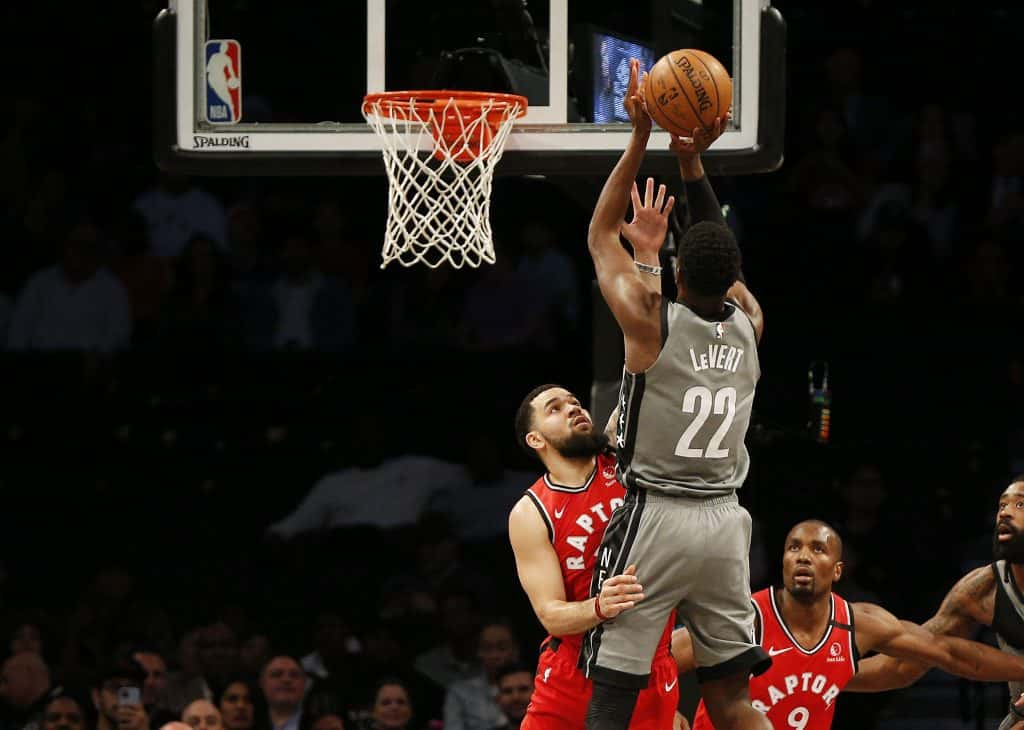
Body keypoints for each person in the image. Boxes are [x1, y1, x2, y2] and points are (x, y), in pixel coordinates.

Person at [581, 57, 767, 730]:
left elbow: (601, 236)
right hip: (725, 522)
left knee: (612, 694)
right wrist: (692, 165)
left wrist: (640, 137)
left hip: (657, 515)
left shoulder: (649, 320)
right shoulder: (750, 325)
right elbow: (725, 262)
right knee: (731, 700)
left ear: (676, 267)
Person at [671, 520, 1024, 728]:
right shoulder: (747, 619)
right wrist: (669, 713)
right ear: (782, 562)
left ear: (838, 570)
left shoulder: (859, 623)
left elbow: (947, 652)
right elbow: (660, 659)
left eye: (817, 549)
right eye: (794, 548)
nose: (804, 556)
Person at [508, 384, 682, 729]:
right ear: (535, 439)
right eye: (555, 409)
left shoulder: (627, 465)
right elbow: (551, 614)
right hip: (573, 674)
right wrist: (600, 605)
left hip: (651, 666)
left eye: (575, 403)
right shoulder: (531, 512)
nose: (574, 409)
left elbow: (644, 382)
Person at [845, 477, 1024, 729]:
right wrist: (820, 673)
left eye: (1020, 505)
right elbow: (902, 666)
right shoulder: (983, 590)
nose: (1005, 512)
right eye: (1002, 505)